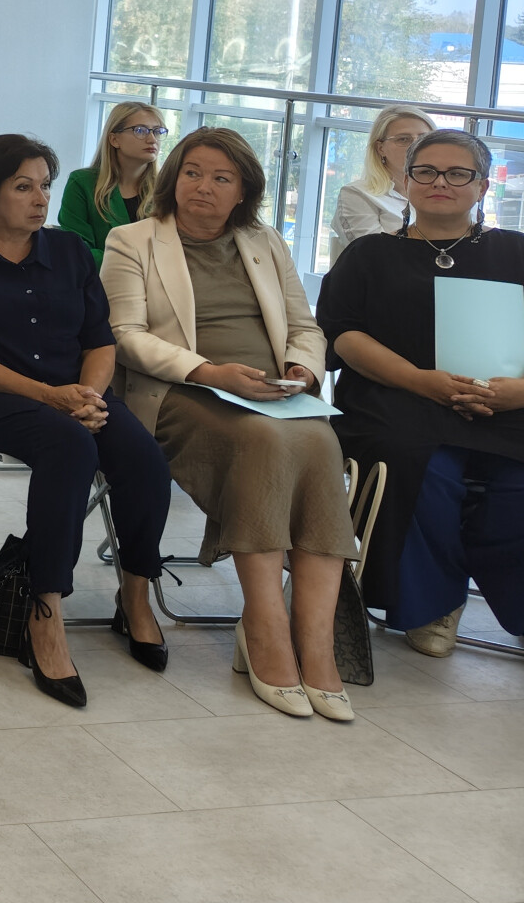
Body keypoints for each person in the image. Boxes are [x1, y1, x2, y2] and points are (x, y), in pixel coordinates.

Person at [102, 127, 357, 720]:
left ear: (243, 191)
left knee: (320, 442)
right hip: (180, 391)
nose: (204, 187)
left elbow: (305, 326)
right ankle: (265, 628)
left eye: (222, 178)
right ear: (174, 178)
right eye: (193, 172)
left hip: (273, 392)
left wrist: (302, 369)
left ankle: (316, 648)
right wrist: (210, 372)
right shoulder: (132, 239)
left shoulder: (264, 240)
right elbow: (125, 336)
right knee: (261, 439)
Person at [0, 134, 171, 709]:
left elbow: (99, 340)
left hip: (75, 393)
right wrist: (51, 397)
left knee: (143, 459)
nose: (40, 199)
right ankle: (45, 609)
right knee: (70, 447)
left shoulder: (70, 250)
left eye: (45, 186)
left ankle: (136, 593)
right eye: (23, 187)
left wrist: (88, 395)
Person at [318, 128, 524, 658]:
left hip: (509, 404)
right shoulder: (370, 254)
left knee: (515, 486)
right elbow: (343, 334)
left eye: (458, 173)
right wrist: (419, 380)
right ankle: (434, 604)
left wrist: (519, 393)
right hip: (398, 397)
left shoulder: (516, 251)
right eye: (426, 171)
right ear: (405, 181)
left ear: (482, 186)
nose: (441, 182)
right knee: (423, 466)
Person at [58, 102, 166, 264]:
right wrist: (130, 266)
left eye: (157, 131)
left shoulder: (166, 188)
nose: (152, 139)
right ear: (114, 139)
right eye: (140, 131)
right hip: (98, 278)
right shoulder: (82, 183)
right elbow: (76, 249)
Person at [329, 105, 434, 263]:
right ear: (380, 148)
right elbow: (374, 258)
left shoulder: (449, 192)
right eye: (403, 139)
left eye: (424, 139)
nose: (416, 146)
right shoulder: (357, 194)